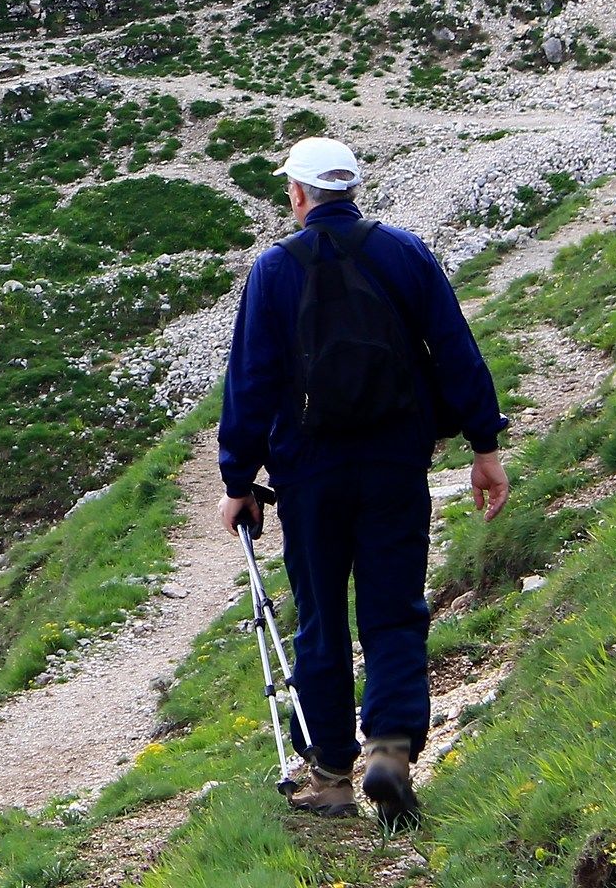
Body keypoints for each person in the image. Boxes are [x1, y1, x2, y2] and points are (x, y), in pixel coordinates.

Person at [216, 136, 510, 823]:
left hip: (310, 474)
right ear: (351, 189)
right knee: (394, 607)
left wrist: (239, 480)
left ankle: (328, 773)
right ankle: (390, 746)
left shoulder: (274, 271)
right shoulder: (404, 253)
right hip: (394, 464)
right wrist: (484, 446)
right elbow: (456, 351)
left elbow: (250, 384)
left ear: (298, 195)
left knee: (321, 617)